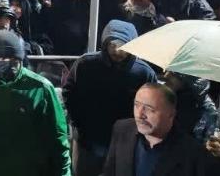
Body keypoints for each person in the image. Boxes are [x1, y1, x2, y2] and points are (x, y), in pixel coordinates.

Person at [0, 30, 70, 176]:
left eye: (12, 59)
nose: (6, 63)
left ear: (20, 59)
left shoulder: (40, 88)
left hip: (31, 169)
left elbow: (58, 138)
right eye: (0, 59)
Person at [64, 20, 158, 176]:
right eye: (112, 45)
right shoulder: (85, 64)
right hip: (89, 140)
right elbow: (69, 92)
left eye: (122, 46)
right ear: (105, 44)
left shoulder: (144, 73)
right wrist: (78, 123)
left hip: (126, 144)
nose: (116, 51)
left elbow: (152, 107)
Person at [102, 82, 220, 176]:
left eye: (149, 109)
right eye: (136, 105)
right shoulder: (122, 129)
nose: (139, 114)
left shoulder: (193, 154)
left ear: (171, 114)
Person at [162, 71, 219, 144]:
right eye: (168, 70)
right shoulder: (162, 98)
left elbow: (206, 144)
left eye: (174, 74)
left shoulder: (207, 111)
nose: (166, 75)